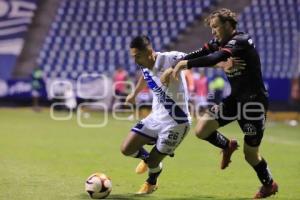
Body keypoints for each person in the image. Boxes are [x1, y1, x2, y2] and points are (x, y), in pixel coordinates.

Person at [172, 8, 278, 199]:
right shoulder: (218, 43)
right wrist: (178, 62)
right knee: (202, 129)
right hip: (235, 100)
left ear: (228, 25)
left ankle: (269, 184)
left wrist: (185, 65)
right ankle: (227, 145)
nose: (213, 31)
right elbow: (202, 52)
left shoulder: (241, 41)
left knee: (250, 155)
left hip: (254, 104)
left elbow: (216, 57)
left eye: (216, 27)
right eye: (211, 27)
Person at [120, 35, 191, 194]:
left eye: (137, 56)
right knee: (126, 149)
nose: (135, 60)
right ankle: (148, 159)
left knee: (154, 163)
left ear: (149, 52)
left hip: (176, 122)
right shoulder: (143, 63)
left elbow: (195, 58)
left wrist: (174, 69)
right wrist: (134, 94)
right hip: (156, 117)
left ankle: (151, 182)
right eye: (133, 56)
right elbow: (145, 76)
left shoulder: (170, 58)